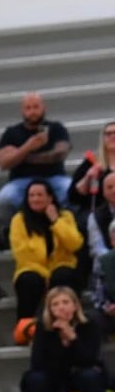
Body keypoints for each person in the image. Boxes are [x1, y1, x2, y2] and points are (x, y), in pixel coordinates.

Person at [8, 177, 85, 343]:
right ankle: (24, 330)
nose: (35, 199)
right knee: (29, 280)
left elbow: (75, 244)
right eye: (31, 195)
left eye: (39, 195)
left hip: (61, 265)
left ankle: (69, 327)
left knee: (63, 275)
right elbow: (22, 253)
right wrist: (46, 276)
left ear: (50, 198)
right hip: (32, 267)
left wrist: (56, 221)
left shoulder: (65, 216)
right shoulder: (19, 220)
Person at [22, 284, 108, 392]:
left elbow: (89, 360)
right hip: (53, 376)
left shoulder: (88, 324)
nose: (61, 307)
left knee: (91, 376)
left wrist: (72, 338)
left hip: (80, 374)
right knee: (35, 379)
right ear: (50, 309)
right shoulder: (43, 327)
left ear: (75, 305)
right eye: (55, 304)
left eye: (65, 302)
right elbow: (37, 363)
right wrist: (60, 343)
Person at [0, 91, 72, 219]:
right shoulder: (11, 132)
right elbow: (3, 164)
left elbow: (60, 154)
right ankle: (17, 228)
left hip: (54, 178)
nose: (32, 112)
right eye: (28, 108)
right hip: (21, 181)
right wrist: (28, 147)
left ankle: (64, 225)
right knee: (4, 199)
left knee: (71, 191)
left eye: (36, 107)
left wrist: (20, 156)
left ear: (44, 107)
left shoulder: (56, 128)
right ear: (22, 110)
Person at [68, 120, 115, 313]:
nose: (112, 137)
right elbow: (73, 196)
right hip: (98, 213)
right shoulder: (92, 161)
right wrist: (88, 177)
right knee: (83, 230)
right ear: (102, 138)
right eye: (108, 133)